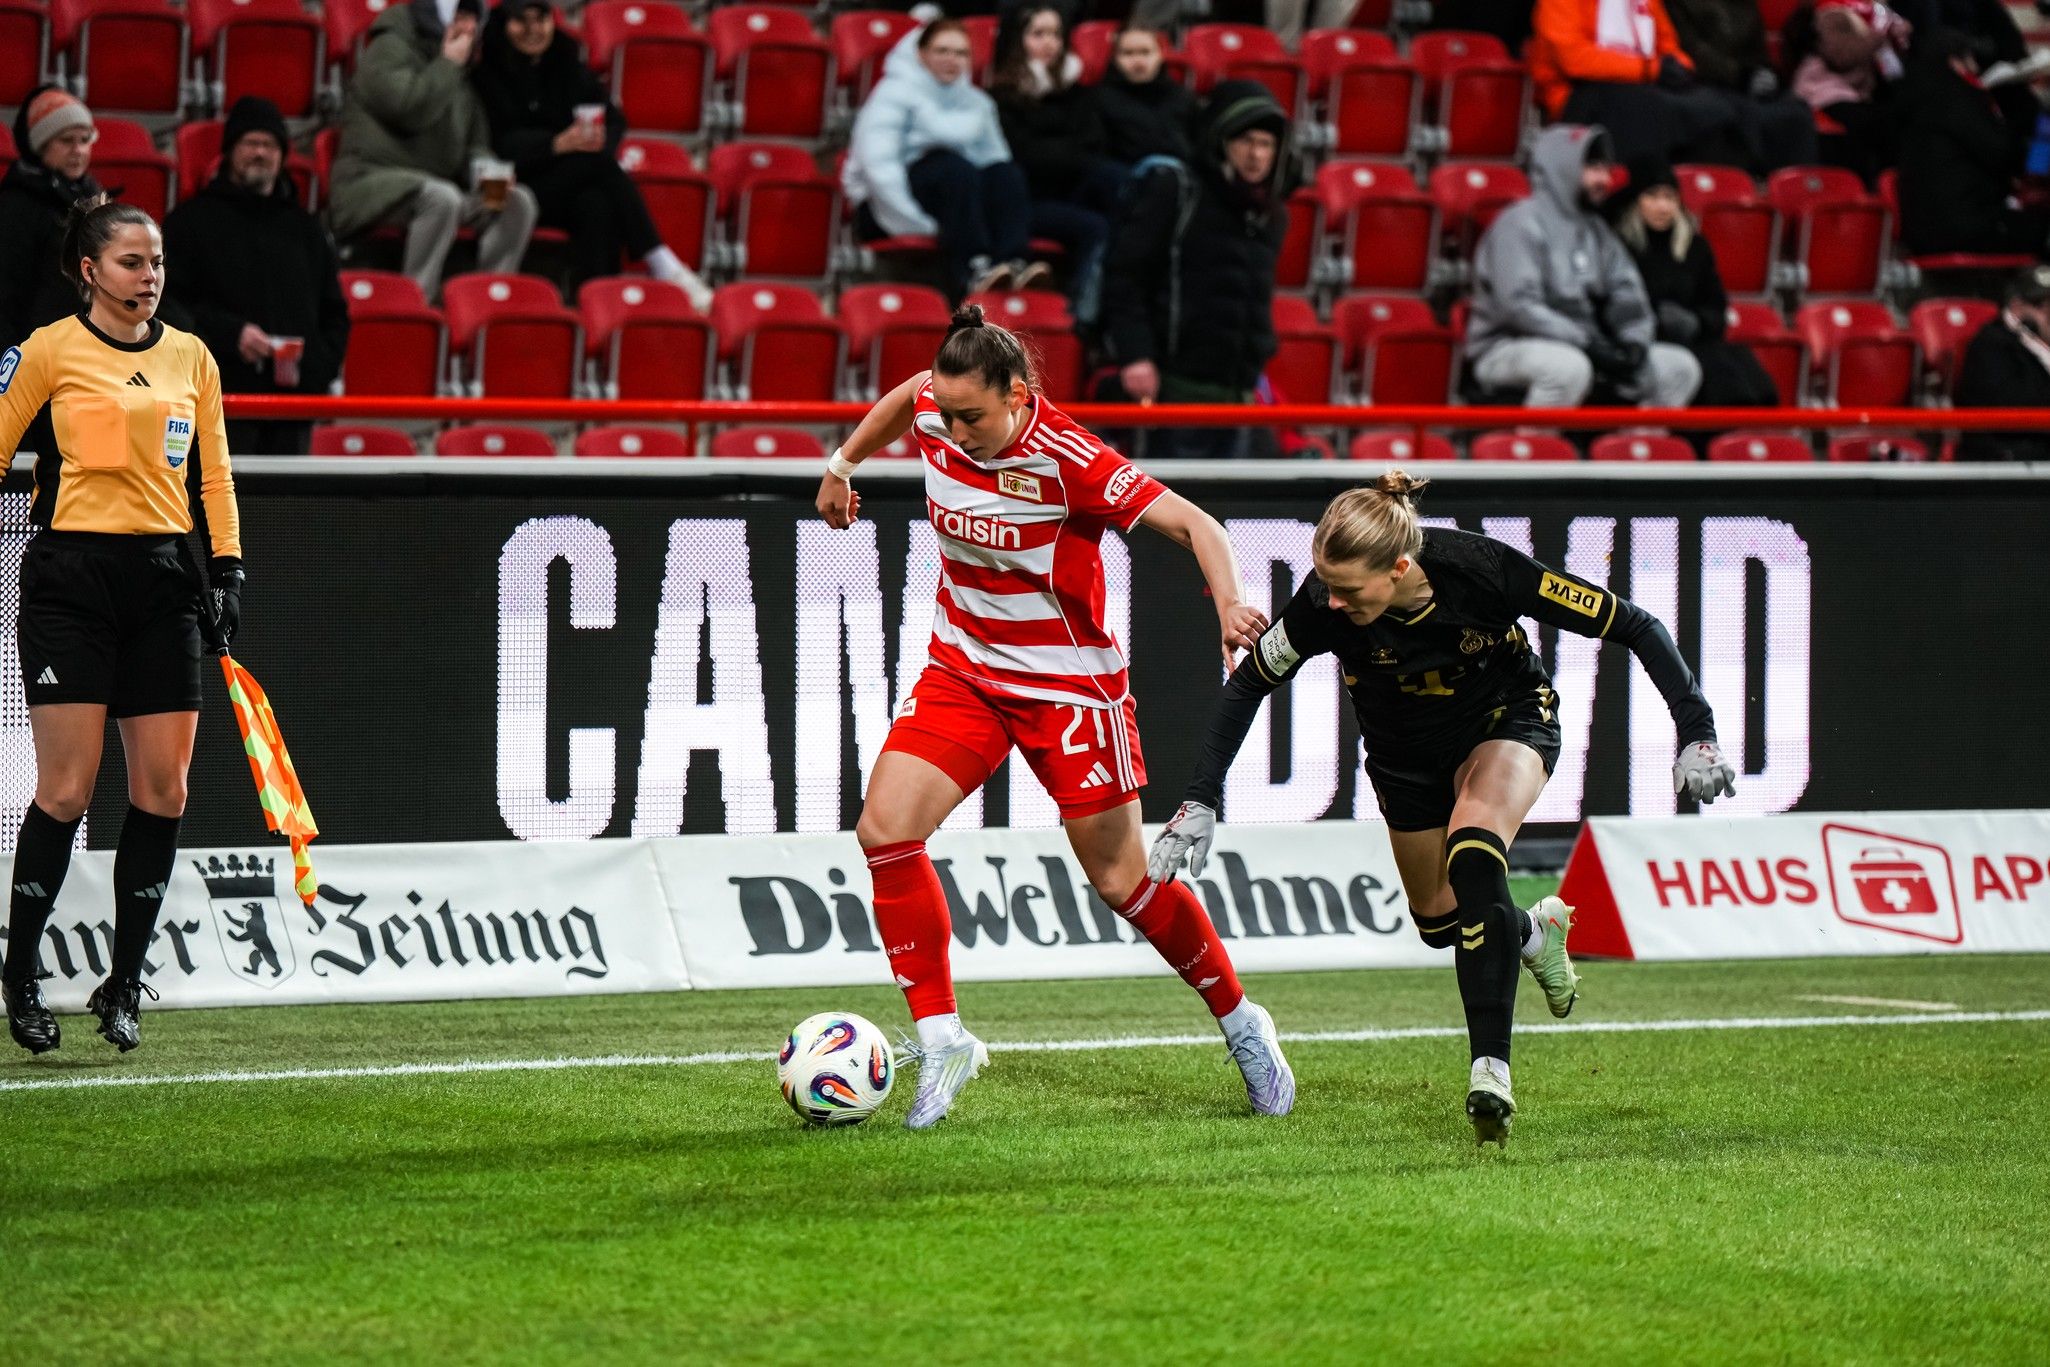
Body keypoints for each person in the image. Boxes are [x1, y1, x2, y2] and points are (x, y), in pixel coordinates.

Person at [813, 306, 1296, 1130]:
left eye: (972, 416)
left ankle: (1244, 1022)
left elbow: (1197, 525)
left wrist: (1230, 604)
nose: (954, 431)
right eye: (947, 413)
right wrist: (842, 462)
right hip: (963, 669)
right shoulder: (937, 405)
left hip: (1069, 690)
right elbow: (907, 395)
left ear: (1018, 394)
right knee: (885, 830)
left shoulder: (1070, 458)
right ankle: (944, 1038)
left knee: (1122, 881)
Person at [1150, 472, 1736, 1146]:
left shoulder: (1483, 570)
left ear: (1399, 568)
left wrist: (1698, 730)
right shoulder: (1321, 602)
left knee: (1475, 851)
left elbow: (1635, 624)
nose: (1331, 601)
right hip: (1403, 756)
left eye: (1348, 589)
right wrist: (1201, 797)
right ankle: (1531, 932)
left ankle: (1491, 1071)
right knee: (1438, 921)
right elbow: (1248, 683)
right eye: (1327, 585)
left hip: (1506, 721)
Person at [0, 194, 244, 1056]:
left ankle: (124, 980)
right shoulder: (47, 350)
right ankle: (20, 973)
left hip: (164, 580)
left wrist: (228, 566)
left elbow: (213, 475)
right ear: (89, 270)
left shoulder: (192, 356)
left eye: (157, 262)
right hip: (71, 580)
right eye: (132, 263)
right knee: (67, 790)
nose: (150, 277)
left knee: (164, 791)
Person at [469, 0, 712, 306]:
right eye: (521, 21)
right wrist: (556, 144)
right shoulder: (485, 75)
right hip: (512, 187)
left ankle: (598, 305)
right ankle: (662, 262)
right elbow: (497, 144)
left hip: (572, 181)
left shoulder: (566, 61)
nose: (533, 30)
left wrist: (597, 142)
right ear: (503, 25)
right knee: (599, 168)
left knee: (597, 205)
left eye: (540, 20)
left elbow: (613, 120)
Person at [1100, 80, 1292, 459]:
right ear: (1222, 139)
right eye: (1246, 141)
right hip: (1172, 393)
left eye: (1266, 144)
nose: (1256, 154)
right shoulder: (1177, 190)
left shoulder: (1271, 214)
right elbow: (1125, 276)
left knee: (1231, 498)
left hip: (1238, 398)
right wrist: (1135, 355)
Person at [162, 98, 351, 458]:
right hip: (216, 404)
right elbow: (167, 307)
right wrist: (231, 335)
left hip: (292, 412)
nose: (260, 153)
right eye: (250, 143)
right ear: (230, 150)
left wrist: (315, 370)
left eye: (270, 145)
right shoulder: (189, 223)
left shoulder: (307, 229)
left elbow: (334, 312)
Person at [1467, 125, 1703, 409]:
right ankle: (1535, 437)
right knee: (1569, 368)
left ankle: (1636, 438)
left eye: (1605, 169)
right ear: (1561, 168)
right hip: (1506, 346)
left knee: (1679, 367)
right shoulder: (1518, 224)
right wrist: (1586, 343)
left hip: (1585, 344)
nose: (1604, 179)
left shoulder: (1596, 230)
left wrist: (1634, 344)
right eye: (1592, 168)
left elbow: (1628, 296)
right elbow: (1519, 307)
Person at [328, 0, 539, 299]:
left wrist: (489, 173)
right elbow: (410, 110)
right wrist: (448, 64)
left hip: (432, 188)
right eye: (459, 16)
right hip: (368, 182)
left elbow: (474, 143)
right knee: (442, 198)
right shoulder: (388, 49)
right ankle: (416, 302)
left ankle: (486, 299)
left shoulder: (459, 75)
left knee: (515, 200)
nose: (468, 27)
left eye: (473, 19)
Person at [845, 20, 1046, 298]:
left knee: (1005, 173)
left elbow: (995, 158)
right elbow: (877, 168)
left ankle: (1013, 262)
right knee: (951, 167)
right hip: (885, 208)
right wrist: (917, 224)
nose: (952, 60)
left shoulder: (977, 102)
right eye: (942, 51)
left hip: (956, 202)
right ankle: (973, 267)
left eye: (961, 53)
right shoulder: (892, 94)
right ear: (921, 54)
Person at [1611, 157, 1779, 406]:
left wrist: (1697, 322)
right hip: (1646, 339)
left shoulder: (1694, 247)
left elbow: (1716, 306)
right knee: (1713, 370)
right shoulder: (1620, 247)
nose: (1663, 207)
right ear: (1636, 200)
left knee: (1742, 364)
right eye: (1653, 197)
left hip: (1695, 337)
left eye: (1669, 197)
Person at [989, 5, 1120, 322]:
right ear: (1016, 41)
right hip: (1028, 204)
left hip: (1074, 192)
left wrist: (1057, 155)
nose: (1049, 43)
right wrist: (1067, 154)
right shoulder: (1001, 98)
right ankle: (1080, 317)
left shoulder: (1079, 95)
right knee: (1097, 227)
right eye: (1038, 34)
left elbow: (1093, 147)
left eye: (1056, 35)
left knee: (1118, 182)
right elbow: (1021, 157)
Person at [1531, 0, 1754, 168]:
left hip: (1643, 84)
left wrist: (1680, 67)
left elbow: (1669, 47)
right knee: (1647, 107)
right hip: (1578, 95)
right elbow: (1573, 60)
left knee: (1714, 105)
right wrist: (1650, 70)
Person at [1895, 31, 2048, 259]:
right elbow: (2006, 154)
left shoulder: (1917, 98)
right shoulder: (1957, 99)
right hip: (1965, 228)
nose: (1976, 68)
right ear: (1955, 62)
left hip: (1928, 231)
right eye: (1970, 59)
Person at [1661, 0, 1821, 168]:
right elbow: (1691, 49)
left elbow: (1758, 47)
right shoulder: (1677, 4)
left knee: (1796, 112)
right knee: (1732, 115)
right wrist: (1739, 75)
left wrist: (1765, 72)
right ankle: (1745, 179)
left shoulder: (1744, 4)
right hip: (1705, 81)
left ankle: (1798, 182)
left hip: (1748, 80)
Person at [0, 87, 103, 348]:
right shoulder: (17, 206)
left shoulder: (93, 194)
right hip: (36, 350)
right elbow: (8, 294)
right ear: (41, 146)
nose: (78, 150)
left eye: (85, 140)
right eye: (66, 141)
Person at [1786, 0, 1912, 182]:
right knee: (1875, 124)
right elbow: (1841, 57)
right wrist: (1879, 34)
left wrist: (1896, 37)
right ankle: (1877, 185)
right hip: (1822, 91)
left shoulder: (1876, 14)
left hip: (1854, 93)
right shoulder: (1830, 13)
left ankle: (1891, 184)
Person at [1954, 263, 2050, 460]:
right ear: (2017, 307)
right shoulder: (1990, 344)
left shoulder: (2041, 342)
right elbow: (2015, 404)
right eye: (2043, 306)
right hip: (2006, 458)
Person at [1094, 25, 1196, 167]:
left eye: (1146, 52)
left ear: (1160, 55)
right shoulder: (1098, 100)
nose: (1138, 61)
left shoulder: (1181, 97)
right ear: (1114, 58)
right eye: (1128, 53)